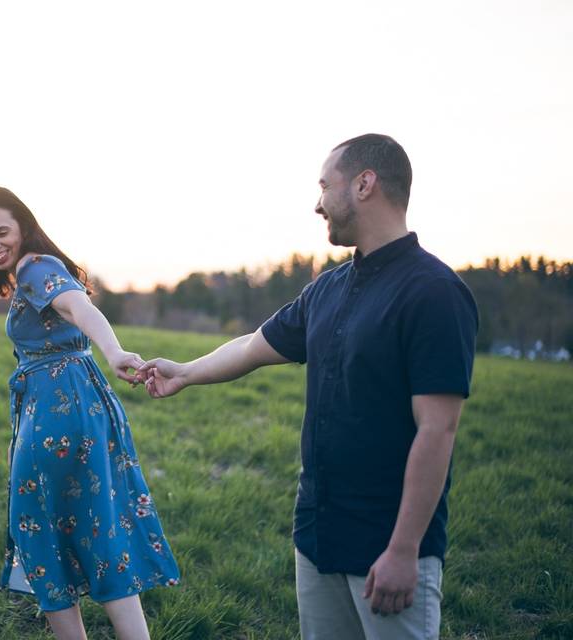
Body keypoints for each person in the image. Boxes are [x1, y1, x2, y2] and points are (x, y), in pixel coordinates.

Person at [138, 134, 478, 640]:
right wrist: (184, 372)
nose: (317, 203)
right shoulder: (328, 288)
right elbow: (254, 346)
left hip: (389, 549)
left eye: (325, 185)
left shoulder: (434, 294)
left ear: (365, 184)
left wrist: (405, 549)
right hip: (318, 537)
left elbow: (438, 430)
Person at [0, 187, 179, 640]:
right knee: (96, 523)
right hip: (73, 405)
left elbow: (79, 306)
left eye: (1, 232)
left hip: (60, 411)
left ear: (23, 227)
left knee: (40, 527)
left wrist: (114, 350)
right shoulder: (27, 271)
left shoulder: (35, 266)